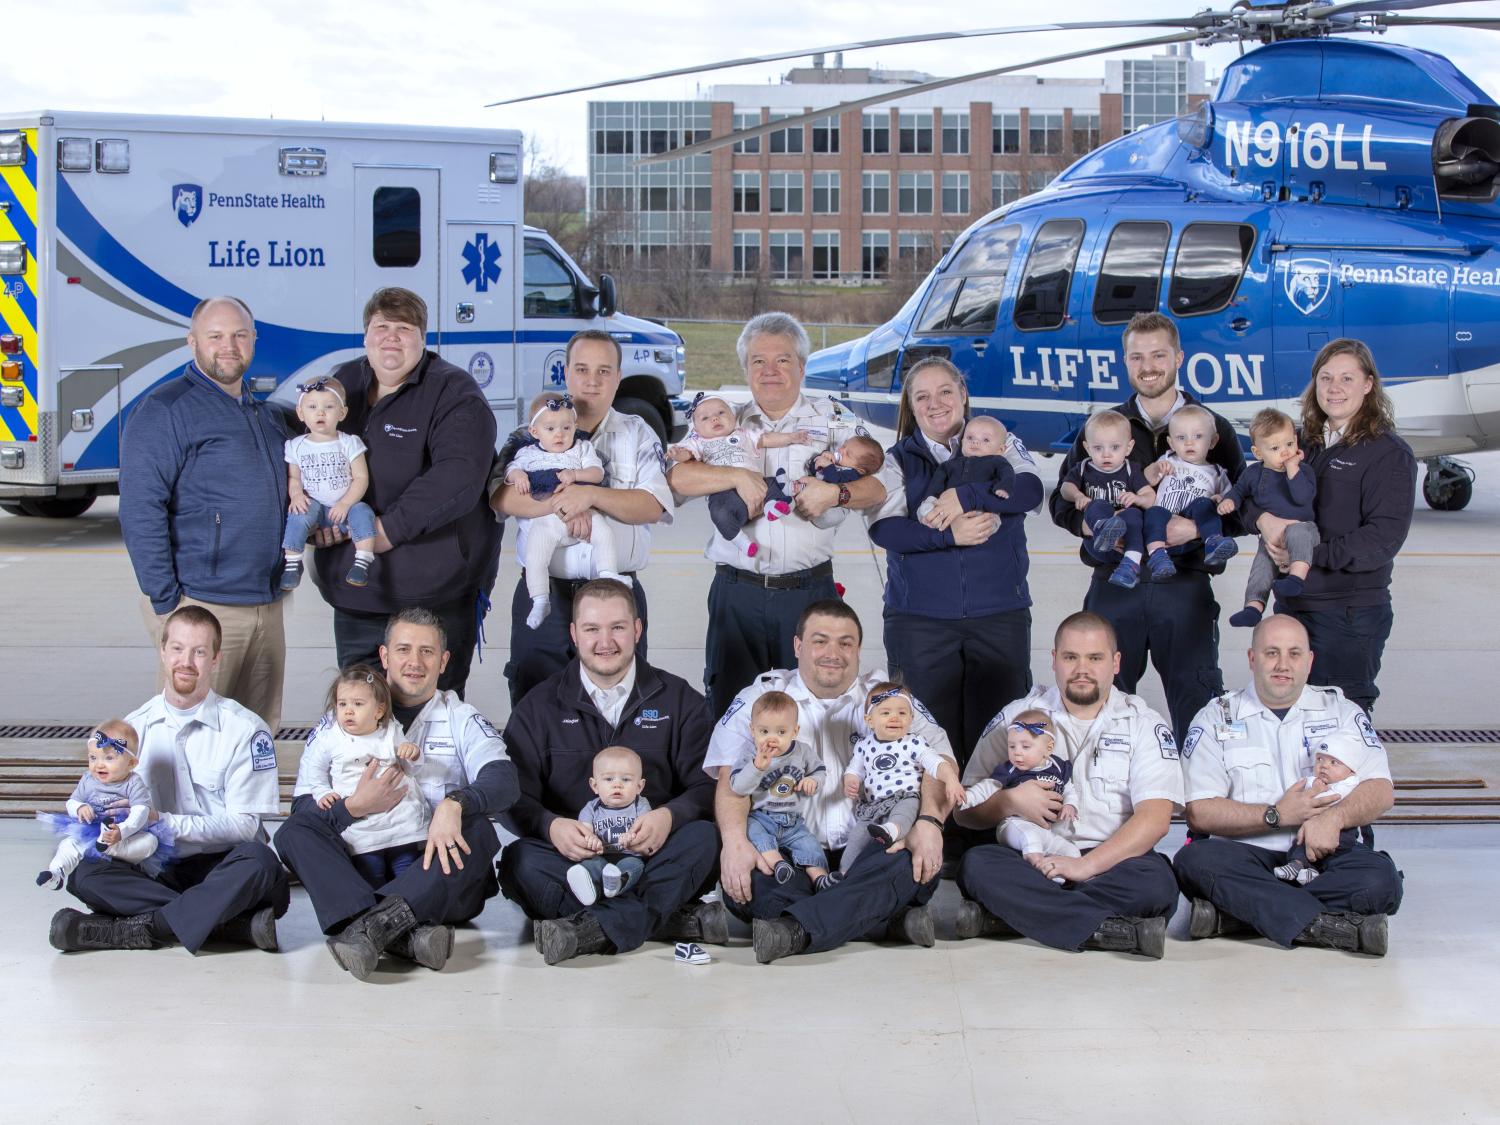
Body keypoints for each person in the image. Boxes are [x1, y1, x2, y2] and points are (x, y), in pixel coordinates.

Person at [274, 608, 518, 981]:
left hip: (432, 875)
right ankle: (404, 936)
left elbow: (504, 780)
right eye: (403, 649)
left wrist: (456, 803)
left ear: (444, 661)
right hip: (363, 867)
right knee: (292, 833)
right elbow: (304, 804)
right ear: (385, 656)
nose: (414, 662)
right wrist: (353, 807)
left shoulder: (461, 717)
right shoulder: (342, 717)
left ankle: (364, 925)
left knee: (479, 830)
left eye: (427, 651)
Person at [706, 601, 957, 964]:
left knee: (907, 863)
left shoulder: (887, 698)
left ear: (858, 649)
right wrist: (732, 843)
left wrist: (930, 822)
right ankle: (879, 918)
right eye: (820, 641)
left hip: (870, 847)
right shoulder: (763, 698)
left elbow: (941, 759)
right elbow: (731, 779)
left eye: (846, 643)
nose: (833, 653)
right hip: (791, 847)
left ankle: (794, 930)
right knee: (756, 884)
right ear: (798, 646)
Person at [497, 579, 720, 965]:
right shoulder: (538, 707)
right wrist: (551, 826)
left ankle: (589, 928)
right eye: (592, 629)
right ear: (573, 633)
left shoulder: (680, 700)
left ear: (637, 629)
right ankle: (659, 917)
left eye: (617, 627)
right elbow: (513, 796)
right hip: (574, 863)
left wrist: (670, 816)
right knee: (519, 861)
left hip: (654, 856)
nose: (606, 641)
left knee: (704, 838)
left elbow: (708, 785)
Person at [1050, 312, 1246, 746]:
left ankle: (1202, 807)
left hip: (1184, 588)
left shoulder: (1213, 427)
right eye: (1137, 356)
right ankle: (1109, 811)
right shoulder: (1105, 426)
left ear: (1178, 357)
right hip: (1115, 585)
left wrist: (1193, 529)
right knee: (1104, 710)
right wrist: (1092, 521)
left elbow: (1242, 504)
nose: (1149, 365)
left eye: (1159, 355)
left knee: (1198, 706)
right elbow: (1059, 502)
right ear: (1125, 361)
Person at [669, 312, 877, 716]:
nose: (769, 371)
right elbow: (676, 480)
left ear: (801, 366)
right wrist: (734, 475)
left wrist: (836, 492)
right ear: (745, 368)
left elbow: (877, 486)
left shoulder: (834, 419)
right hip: (737, 593)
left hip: (808, 593)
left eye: (782, 360)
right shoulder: (721, 420)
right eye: (757, 361)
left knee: (815, 713)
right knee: (731, 713)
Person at [48, 606, 288, 955]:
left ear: (216, 658)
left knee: (261, 865)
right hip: (155, 866)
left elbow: (243, 827)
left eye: (199, 651)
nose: (186, 661)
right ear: (162, 652)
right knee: (85, 873)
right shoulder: (133, 728)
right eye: (177, 649)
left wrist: (163, 821)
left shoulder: (246, 730)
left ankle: (128, 931)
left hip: (223, 864)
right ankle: (228, 925)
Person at [955, 612, 1184, 959]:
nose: (1082, 669)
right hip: (1034, 859)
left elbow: (1155, 819)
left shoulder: (1143, 724)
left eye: (1095, 658)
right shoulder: (1017, 717)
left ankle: (1011, 918)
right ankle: (1118, 931)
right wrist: (1008, 802)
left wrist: (1084, 868)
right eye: (1070, 657)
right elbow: (964, 813)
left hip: (1112, 861)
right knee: (977, 864)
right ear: (1054, 660)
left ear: (1116, 662)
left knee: (1158, 884)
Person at [1173, 615, 1401, 955]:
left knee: (1381, 881)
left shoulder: (1341, 711)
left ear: (1310, 661)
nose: (1283, 664)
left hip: (1324, 854)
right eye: (1271, 653)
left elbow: (1381, 790)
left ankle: (1237, 915)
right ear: (1252, 658)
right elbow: (1199, 812)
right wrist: (1275, 815)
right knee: (1194, 861)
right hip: (1246, 855)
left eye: (1294, 654)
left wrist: (1331, 819)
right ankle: (1333, 928)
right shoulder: (1216, 717)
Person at [312, 287, 500, 698]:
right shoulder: (342, 384)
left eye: (404, 328)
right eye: (381, 326)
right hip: (357, 597)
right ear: (365, 336)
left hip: (433, 596)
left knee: (431, 724)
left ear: (423, 338)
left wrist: (386, 530)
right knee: (360, 719)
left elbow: (458, 477)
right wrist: (316, 520)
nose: (391, 337)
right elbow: (307, 454)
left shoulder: (454, 393)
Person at [120, 296, 289, 731]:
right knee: (190, 734)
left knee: (256, 736)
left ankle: (250, 805)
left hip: (265, 607)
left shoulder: (261, 411)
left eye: (239, 335)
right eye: (215, 336)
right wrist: (169, 603)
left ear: (253, 340)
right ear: (192, 342)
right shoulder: (166, 411)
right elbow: (141, 508)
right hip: (202, 604)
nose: (228, 345)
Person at [866, 356, 1042, 766]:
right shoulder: (898, 459)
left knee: (1000, 738)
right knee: (926, 738)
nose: (936, 403)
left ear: (963, 394)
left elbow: (1030, 492)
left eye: (945, 391)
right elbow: (885, 530)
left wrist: (967, 496)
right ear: (911, 406)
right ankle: (935, 826)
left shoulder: (997, 440)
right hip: (920, 620)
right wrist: (948, 535)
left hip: (1000, 614)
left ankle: (992, 825)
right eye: (922, 396)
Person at [492, 330, 673, 704]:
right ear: (566, 373)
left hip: (615, 591)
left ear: (618, 377)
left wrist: (591, 495)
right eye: (582, 369)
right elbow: (500, 496)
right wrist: (564, 504)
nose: (592, 380)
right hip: (546, 591)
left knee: (620, 705)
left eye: (604, 371)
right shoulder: (529, 434)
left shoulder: (637, 432)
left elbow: (653, 504)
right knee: (534, 702)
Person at [1237, 339, 1416, 714]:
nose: (1334, 388)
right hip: (1291, 608)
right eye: (1326, 377)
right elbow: (1253, 490)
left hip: (1348, 615)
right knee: (1287, 721)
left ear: (1368, 384)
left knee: (1341, 727)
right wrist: (1263, 520)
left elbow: (1382, 538)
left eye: (1347, 378)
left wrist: (1306, 555)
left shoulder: (1389, 454)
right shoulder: (1302, 444)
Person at [298, 665, 431, 885]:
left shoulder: (390, 732)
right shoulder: (331, 738)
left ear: (379, 711)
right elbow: (315, 768)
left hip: (399, 819)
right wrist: (322, 791)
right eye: (342, 704)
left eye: (358, 704)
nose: (348, 711)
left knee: (407, 871)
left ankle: (411, 908)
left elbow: (411, 769)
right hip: (361, 824)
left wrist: (413, 754)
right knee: (371, 873)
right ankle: (375, 912)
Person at [506, 392, 630, 627]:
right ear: (534, 432)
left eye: (566, 427)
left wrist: (575, 475)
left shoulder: (582, 449)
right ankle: (541, 599)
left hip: (583, 512)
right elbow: (511, 470)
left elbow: (597, 473)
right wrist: (519, 475)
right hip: (547, 520)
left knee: (604, 533)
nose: (559, 434)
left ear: (575, 426)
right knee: (535, 556)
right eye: (550, 429)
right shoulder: (527, 453)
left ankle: (608, 573)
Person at [667, 392, 813, 562]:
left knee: (772, 484)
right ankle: (741, 541)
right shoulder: (698, 442)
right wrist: (677, 454)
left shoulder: (743, 433)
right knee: (719, 513)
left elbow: (766, 439)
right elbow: (687, 455)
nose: (714, 418)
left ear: (733, 416)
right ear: (696, 429)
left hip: (756, 483)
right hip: (723, 493)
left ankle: (772, 507)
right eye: (705, 418)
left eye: (721, 413)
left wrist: (791, 437)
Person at [839, 683, 965, 875]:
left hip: (905, 797)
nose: (895, 718)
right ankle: (843, 874)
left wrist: (951, 780)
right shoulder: (864, 745)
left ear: (911, 719)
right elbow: (854, 770)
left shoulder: (913, 742)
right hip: (874, 806)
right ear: (869, 720)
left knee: (904, 813)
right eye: (886, 713)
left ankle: (892, 830)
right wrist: (851, 781)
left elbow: (936, 763)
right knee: (857, 837)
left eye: (902, 713)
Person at [35, 722, 173, 889]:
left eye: (109, 758)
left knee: (150, 842)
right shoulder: (88, 779)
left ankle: (108, 848)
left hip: (124, 835)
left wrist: (121, 831)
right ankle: (56, 873)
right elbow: (72, 801)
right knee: (69, 844)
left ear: (131, 764)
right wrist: (79, 808)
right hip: (92, 828)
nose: (99, 764)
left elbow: (140, 811)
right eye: (93, 757)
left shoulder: (133, 782)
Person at [1218, 408, 1320, 628]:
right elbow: (1239, 492)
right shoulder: (1253, 474)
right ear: (1258, 453)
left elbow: (1303, 497)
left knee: (1298, 533)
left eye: (1289, 445)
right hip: (1270, 538)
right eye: (1275, 448)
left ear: (1296, 441)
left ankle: (1296, 577)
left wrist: (1293, 470)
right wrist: (1229, 501)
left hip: (1303, 528)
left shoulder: (1304, 471)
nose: (1284, 452)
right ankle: (1253, 607)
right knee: (1261, 566)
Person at [279, 376, 379, 591]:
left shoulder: (349, 443)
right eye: (312, 406)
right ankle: (292, 563)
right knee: (298, 513)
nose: (320, 412)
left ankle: (362, 562)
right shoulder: (295, 446)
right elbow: (294, 477)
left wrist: (345, 503)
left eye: (329, 406)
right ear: (300, 413)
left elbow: (361, 477)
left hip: (343, 508)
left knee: (363, 512)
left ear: (342, 413)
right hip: (315, 507)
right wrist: (297, 495)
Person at [957, 710, 1080, 883]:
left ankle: (1056, 877)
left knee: (1071, 851)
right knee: (1029, 836)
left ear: (1048, 748)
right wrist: (967, 799)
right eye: (1012, 746)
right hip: (1014, 825)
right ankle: (1037, 866)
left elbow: (1069, 789)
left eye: (1026, 746)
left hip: (1046, 831)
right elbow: (988, 787)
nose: (1017, 753)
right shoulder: (1010, 770)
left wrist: (1070, 805)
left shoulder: (1059, 767)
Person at [728, 691, 834, 889]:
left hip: (793, 821)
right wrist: (756, 767)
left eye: (781, 732)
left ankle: (820, 878)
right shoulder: (751, 752)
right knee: (752, 832)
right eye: (764, 732)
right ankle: (779, 864)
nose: (772, 739)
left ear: (795, 731)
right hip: (761, 817)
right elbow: (738, 787)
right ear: (753, 730)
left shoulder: (802, 751)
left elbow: (820, 770)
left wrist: (813, 781)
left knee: (810, 845)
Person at [1056, 410, 1156, 589]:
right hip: (1097, 544)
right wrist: (1078, 495)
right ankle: (1105, 530)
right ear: (1087, 448)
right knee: (1096, 505)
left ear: (1129, 447)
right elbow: (1064, 488)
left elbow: (1150, 498)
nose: (1106, 454)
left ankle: (1130, 565)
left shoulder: (1131, 470)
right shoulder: (1083, 468)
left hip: (1128, 540)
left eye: (1115, 447)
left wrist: (1137, 498)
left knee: (1133, 514)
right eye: (1098, 448)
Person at [1139, 403, 1238, 580]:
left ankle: (1213, 542)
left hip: (1192, 541)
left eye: (1198, 436)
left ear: (1213, 441)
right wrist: (1155, 469)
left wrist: (1220, 499)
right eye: (1181, 437)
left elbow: (1230, 499)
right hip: (1162, 525)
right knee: (1154, 512)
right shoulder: (1168, 459)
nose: (1189, 442)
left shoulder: (1216, 472)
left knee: (1204, 504)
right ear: (1171, 442)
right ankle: (1157, 555)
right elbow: (1145, 479)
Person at [1272, 734, 1370, 885]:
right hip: (1311, 826)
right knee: (1299, 842)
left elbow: (1336, 797)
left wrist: (1318, 790)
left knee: (1331, 850)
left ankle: (1310, 869)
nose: (1324, 766)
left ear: (1350, 770)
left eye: (1333, 762)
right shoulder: (1314, 780)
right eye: (1320, 760)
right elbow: (1297, 796)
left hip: (1342, 832)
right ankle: (1298, 866)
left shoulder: (1350, 783)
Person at [567, 746, 652, 906]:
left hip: (629, 855)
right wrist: (591, 840)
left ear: (639, 786)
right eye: (608, 779)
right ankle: (586, 884)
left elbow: (645, 826)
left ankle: (617, 882)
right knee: (591, 865)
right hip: (601, 856)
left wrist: (634, 836)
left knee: (635, 867)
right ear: (595, 786)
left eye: (626, 779)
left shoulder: (640, 805)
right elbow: (585, 831)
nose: (617, 785)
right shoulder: (592, 808)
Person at [914, 416, 1017, 527]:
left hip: (981, 509)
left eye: (986, 440)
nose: (975, 442)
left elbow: (1007, 474)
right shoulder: (949, 465)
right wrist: (931, 498)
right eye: (970, 438)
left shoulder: (997, 461)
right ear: (962, 442)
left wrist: (1003, 487)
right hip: (948, 509)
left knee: (988, 520)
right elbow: (937, 483)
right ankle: (933, 518)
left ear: (1000, 449)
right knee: (932, 511)